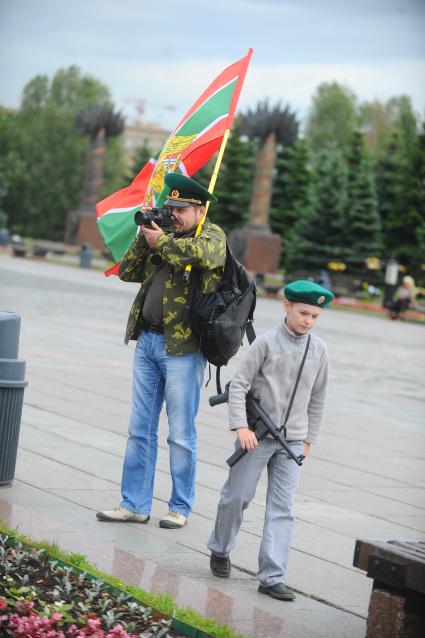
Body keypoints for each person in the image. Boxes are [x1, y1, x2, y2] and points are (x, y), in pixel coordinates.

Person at [97, 173, 226, 529]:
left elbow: (202, 255)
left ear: (200, 210)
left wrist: (163, 241)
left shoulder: (211, 237)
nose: (174, 215)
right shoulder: (164, 238)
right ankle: (134, 503)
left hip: (183, 349)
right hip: (149, 342)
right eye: (171, 208)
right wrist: (144, 235)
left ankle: (180, 507)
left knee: (180, 433)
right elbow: (128, 272)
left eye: (181, 210)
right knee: (140, 428)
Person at [207, 280, 334, 600]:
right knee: (237, 497)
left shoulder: (318, 350)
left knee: (283, 508)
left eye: (315, 316)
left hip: (292, 441)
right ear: (287, 307)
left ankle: (272, 575)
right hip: (257, 436)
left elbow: (318, 398)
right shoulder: (265, 343)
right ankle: (220, 549)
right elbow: (238, 387)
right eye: (304, 313)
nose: (308, 320)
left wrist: (309, 440)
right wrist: (241, 427)